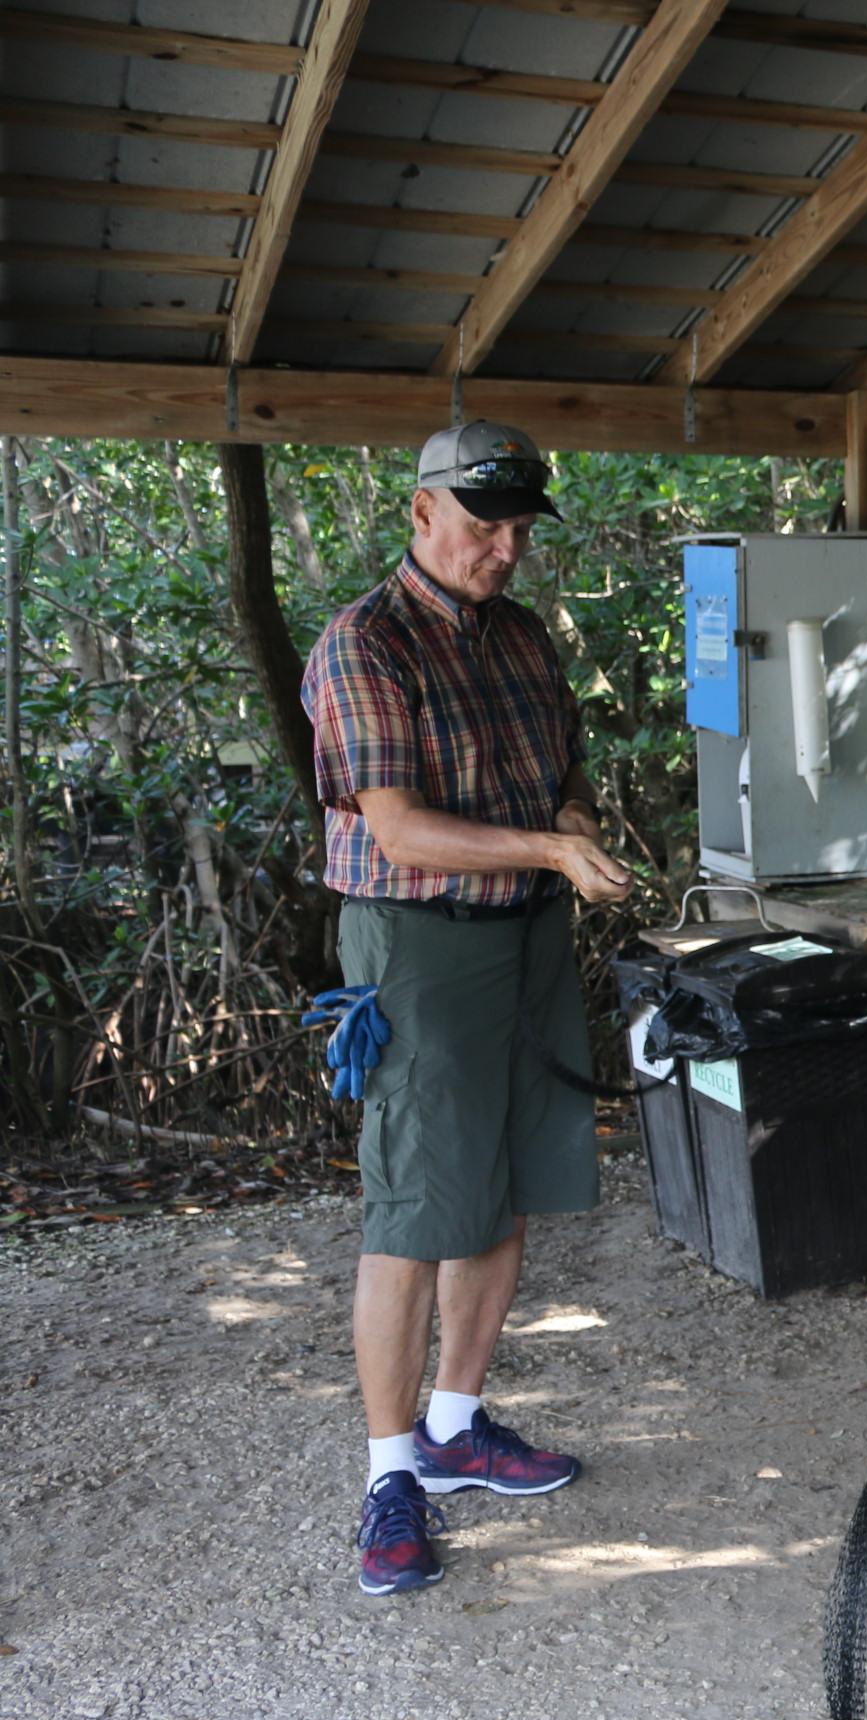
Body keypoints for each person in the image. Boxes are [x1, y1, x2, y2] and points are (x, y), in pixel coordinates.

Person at [301, 421, 635, 1598]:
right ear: (421, 512)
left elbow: (564, 769)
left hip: (527, 935)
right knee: (412, 1208)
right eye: (485, 527)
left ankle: (455, 1425)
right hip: (419, 942)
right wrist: (550, 848)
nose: (505, 550)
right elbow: (397, 829)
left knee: (506, 1179)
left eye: (519, 530)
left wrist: (574, 821)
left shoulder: (524, 636)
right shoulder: (364, 643)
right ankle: (390, 1476)